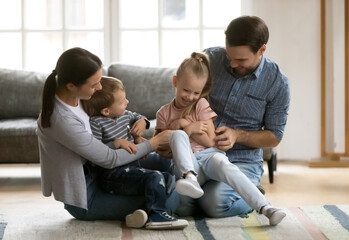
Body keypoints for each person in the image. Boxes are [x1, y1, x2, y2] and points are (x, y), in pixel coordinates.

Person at [35, 47, 186, 229]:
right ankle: (154, 212)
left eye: (99, 81)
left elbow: (118, 118)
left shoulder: (84, 98)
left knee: (167, 165)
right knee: (172, 198)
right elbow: (108, 159)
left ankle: (147, 210)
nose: (99, 88)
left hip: (105, 172)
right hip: (88, 194)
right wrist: (153, 143)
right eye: (94, 84)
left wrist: (128, 133)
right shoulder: (60, 119)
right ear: (71, 86)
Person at [175, 16, 290, 219]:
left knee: (214, 204)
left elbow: (274, 137)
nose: (233, 63)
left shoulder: (277, 83)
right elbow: (186, 100)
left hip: (242, 161)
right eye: (230, 57)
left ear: (262, 50)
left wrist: (237, 135)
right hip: (202, 154)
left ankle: (251, 196)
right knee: (180, 198)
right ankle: (240, 192)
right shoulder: (210, 59)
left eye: (241, 60)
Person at [156, 52, 286, 225]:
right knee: (183, 206)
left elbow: (210, 142)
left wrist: (189, 127)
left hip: (209, 155)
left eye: (196, 92)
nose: (190, 97)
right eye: (186, 90)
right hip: (186, 165)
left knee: (224, 164)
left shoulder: (201, 105)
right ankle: (191, 178)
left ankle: (266, 208)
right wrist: (185, 129)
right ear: (175, 82)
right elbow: (162, 148)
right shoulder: (163, 113)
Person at [81, 76, 188, 229]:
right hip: (111, 175)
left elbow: (139, 117)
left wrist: (142, 123)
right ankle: (157, 216)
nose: (127, 102)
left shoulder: (125, 115)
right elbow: (96, 153)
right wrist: (116, 143)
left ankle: (143, 214)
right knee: (155, 177)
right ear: (106, 111)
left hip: (131, 168)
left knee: (167, 178)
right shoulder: (96, 123)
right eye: (122, 101)